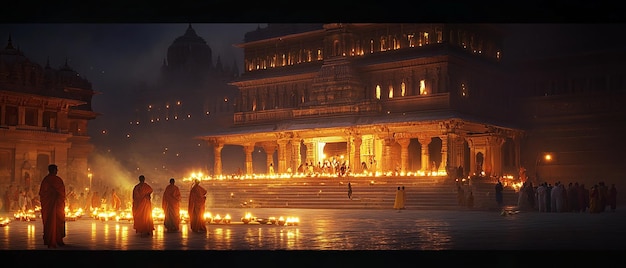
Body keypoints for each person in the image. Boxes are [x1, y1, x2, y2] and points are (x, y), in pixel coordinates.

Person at [38, 164, 66, 248]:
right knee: (57, 222)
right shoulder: (57, 180)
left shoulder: (45, 180)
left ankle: (52, 240)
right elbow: (62, 192)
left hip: (49, 207)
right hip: (56, 206)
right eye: (56, 170)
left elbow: (42, 193)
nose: (57, 171)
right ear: (53, 170)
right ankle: (57, 240)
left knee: (50, 223)